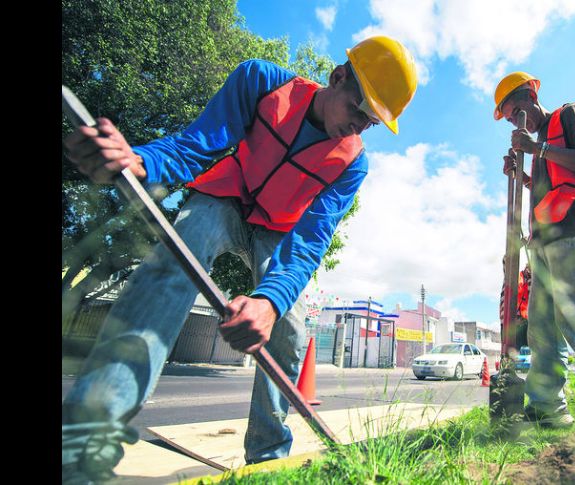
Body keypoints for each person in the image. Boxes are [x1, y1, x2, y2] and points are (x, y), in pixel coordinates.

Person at [61, 35, 418, 483]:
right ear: (338, 77)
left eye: (372, 123)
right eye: (358, 110)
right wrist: (138, 161)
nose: (359, 127)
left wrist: (268, 303)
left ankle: (268, 457)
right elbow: (193, 146)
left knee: (288, 328)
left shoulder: (353, 165)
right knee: (177, 255)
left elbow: (309, 242)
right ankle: (89, 432)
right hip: (224, 200)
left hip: (278, 232)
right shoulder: (261, 81)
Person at [493, 71, 575, 432]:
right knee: (542, 331)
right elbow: (551, 189)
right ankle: (548, 410)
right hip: (546, 244)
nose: (519, 121)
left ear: (531, 96)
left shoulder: (568, 115)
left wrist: (537, 150)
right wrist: (522, 177)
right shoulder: (541, 148)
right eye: (509, 118)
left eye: (518, 111)